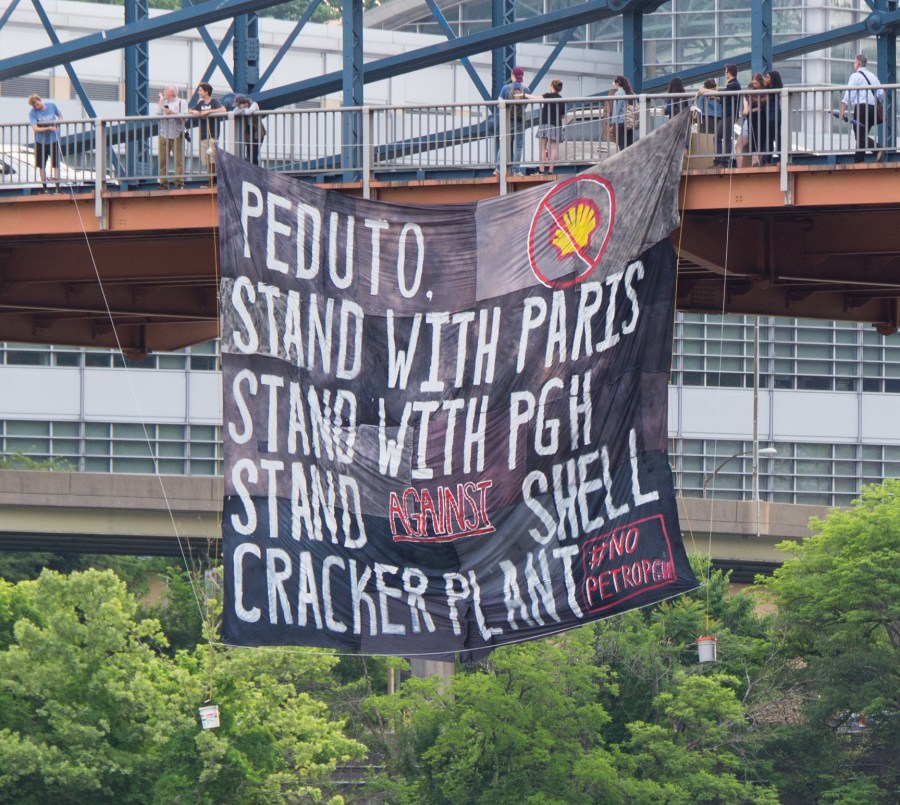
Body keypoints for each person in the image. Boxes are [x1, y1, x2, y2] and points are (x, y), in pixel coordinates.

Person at [840, 53, 884, 163]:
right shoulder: (873, 76)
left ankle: (878, 149)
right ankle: (859, 160)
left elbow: (849, 94)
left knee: (859, 136)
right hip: (873, 109)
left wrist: (842, 110)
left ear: (859, 63)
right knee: (862, 135)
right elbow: (881, 93)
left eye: (854, 62)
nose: (853, 64)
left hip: (862, 108)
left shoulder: (855, 76)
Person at [495, 66, 531, 176]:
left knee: (504, 143)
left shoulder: (506, 88)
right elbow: (525, 105)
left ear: (512, 75)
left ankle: (498, 168)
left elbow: (499, 103)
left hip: (508, 120)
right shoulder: (526, 90)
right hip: (520, 121)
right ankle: (516, 170)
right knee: (518, 146)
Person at [27, 94, 63, 192]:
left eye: (37, 104)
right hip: (40, 142)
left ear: (40, 100)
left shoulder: (52, 106)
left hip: (53, 140)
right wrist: (48, 128)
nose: (36, 107)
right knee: (41, 165)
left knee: (56, 164)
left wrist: (57, 123)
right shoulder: (33, 113)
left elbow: (60, 115)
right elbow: (35, 128)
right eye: (34, 106)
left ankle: (57, 187)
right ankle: (44, 187)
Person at [155, 85, 188, 188]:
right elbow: (158, 113)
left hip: (176, 134)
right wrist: (161, 100)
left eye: (166, 90)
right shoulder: (164, 102)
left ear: (172, 92)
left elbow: (185, 117)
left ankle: (179, 183)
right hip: (163, 134)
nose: (164, 91)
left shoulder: (182, 102)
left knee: (178, 160)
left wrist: (172, 113)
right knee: (162, 160)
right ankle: (163, 183)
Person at [191, 82, 225, 176]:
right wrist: (193, 111)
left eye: (200, 90)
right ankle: (210, 177)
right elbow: (190, 110)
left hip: (213, 135)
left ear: (206, 92)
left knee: (212, 158)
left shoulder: (214, 101)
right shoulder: (201, 103)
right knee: (204, 159)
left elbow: (223, 110)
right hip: (203, 135)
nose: (199, 92)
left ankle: (213, 179)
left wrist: (209, 111)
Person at [713, 64, 741, 167]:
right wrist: (717, 98)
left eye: (725, 72)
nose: (725, 74)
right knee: (717, 137)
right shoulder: (731, 85)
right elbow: (724, 98)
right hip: (725, 114)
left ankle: (724, 161)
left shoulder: (734, 85)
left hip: (729, 115)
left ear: (729, 73)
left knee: (726, 137)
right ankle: (718, 160)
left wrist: (712, 92)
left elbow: (725, 93)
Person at [535, 79, 564, 174]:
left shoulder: (547, 95)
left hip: (545, 124)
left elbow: (536, 98)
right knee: (554, 148)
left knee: (542, 147)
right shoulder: (561, 99)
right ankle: (551, 170)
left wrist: (525, 95)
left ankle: (541, 169)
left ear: (552, 86)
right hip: (556, 125)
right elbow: (563, 115)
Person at [232, 94, 267, 165]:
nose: (238, 107)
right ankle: (254, 170)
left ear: (244, 102)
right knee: (249, 156)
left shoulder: (254, 104)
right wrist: (243, 109)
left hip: (258, 134)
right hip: (248, 135)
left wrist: (243, 110)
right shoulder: (241, 108)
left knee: (253, 156)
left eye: (239, 105)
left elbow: (248, 112)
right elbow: (234, 112)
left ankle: (256, 170)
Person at [742, 72, 767, 166]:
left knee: (760, 138)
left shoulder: (764, 90)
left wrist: (752, 109)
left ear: (761, 82)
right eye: (753, 83)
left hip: (761, 116)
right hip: (752, 117)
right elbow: (747, 99)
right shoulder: (751, 88)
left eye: (756, 83)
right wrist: (749, 108)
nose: (755, 85)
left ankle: (758, 160)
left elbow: (763, 105)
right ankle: (754, 161)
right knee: (753, 138)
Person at [762, 70, 784, 164]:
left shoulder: (775, 90)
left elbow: (764, 99)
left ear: (773, 79)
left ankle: (781, 159)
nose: (765, 79)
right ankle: (768, 160)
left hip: (774, 116)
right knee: (770, 138)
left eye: (768, 77)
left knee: (776, 138)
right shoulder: (770, 89)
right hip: (770, 116)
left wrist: (752, 98)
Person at [611, 75, 636, 151]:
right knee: (630, 146)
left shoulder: (619, 93)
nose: (614, 85)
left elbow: (616, 110)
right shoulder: (631, 93)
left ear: (617, 83)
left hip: (621, 122)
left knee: (622, 146)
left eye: (614, 83)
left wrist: (612, 123)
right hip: (630, 122)